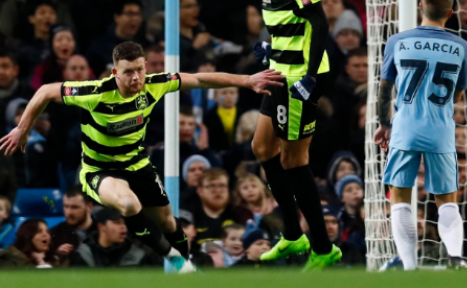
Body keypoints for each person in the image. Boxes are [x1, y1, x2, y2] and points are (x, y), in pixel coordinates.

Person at [0, 41, 284, 273]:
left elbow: (198, 79)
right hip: (99, 170)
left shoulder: (154, 84)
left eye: (139, 70)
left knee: (169, 224)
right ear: (115, 73)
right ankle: (173, 259)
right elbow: (46, 91)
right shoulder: (96, 92)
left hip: (137, 164)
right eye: (127, 72)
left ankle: (185, 268)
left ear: (146, 67)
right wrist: (22, 129)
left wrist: (247, 80)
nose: (135, 78)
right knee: (128, 202)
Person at [250, 0, 341, 270]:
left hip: (300, 78)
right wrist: (271, 48)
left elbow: (319, 22)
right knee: (261, 147)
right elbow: (292, 19)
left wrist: (305, 76)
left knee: (293, 159)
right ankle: (291, 234)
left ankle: (321, 247)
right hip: (280, 70)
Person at [374, 0, 467, 270]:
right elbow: (458, 93)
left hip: (405, 128)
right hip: (440, 130)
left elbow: (384, 89)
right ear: (451, 13)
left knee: (401, 198)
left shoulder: (397, 41)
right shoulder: (461, 46)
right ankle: (455, 257)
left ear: (421, 6)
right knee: (447, 201)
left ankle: (409, 265)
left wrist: (384, 124)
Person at [70, 207, 161, 268]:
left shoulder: (136, 256)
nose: (123, 227)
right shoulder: (84, 256)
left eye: (124, 223)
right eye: (117, 222)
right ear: (101, 227)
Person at [191, 168, 252, 247]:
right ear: (200, 191)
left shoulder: (242, 214)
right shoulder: (191, 217)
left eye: (222, 186)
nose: (218, 190)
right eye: (211, 186)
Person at [49, 185, 96, 252]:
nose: (69, 212)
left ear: (89, 207)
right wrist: (57, 255)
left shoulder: (102, 232)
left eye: (74, 207)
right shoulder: (54, 234)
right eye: (66, 206)